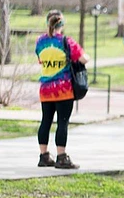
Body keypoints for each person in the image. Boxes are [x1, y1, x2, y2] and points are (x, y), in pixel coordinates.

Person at [35, 10, 86, 169]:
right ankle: (61, 156)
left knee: (46, 121)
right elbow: (83, 58)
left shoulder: (40, 42)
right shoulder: (66, 41)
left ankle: (44, 156)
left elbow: (40, 60)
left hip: (45, 90)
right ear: (61, 24)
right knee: (62, 123)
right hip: (63, 90)